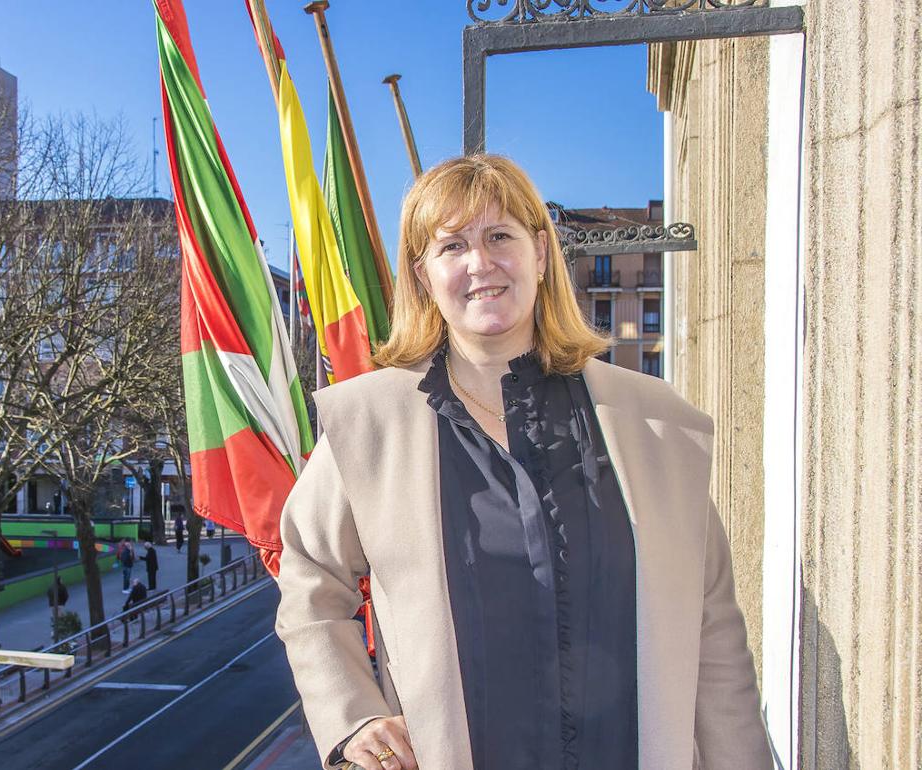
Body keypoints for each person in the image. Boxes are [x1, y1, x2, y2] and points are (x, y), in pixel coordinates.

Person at [274, 154, 771, 770]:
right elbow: (309, 582)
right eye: (451, 246)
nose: (480, 263)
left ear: (540, 253)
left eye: (499, 236)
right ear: (424, 277)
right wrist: (354, 715)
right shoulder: (369, 426)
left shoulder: (652, 426)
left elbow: (714, 632)